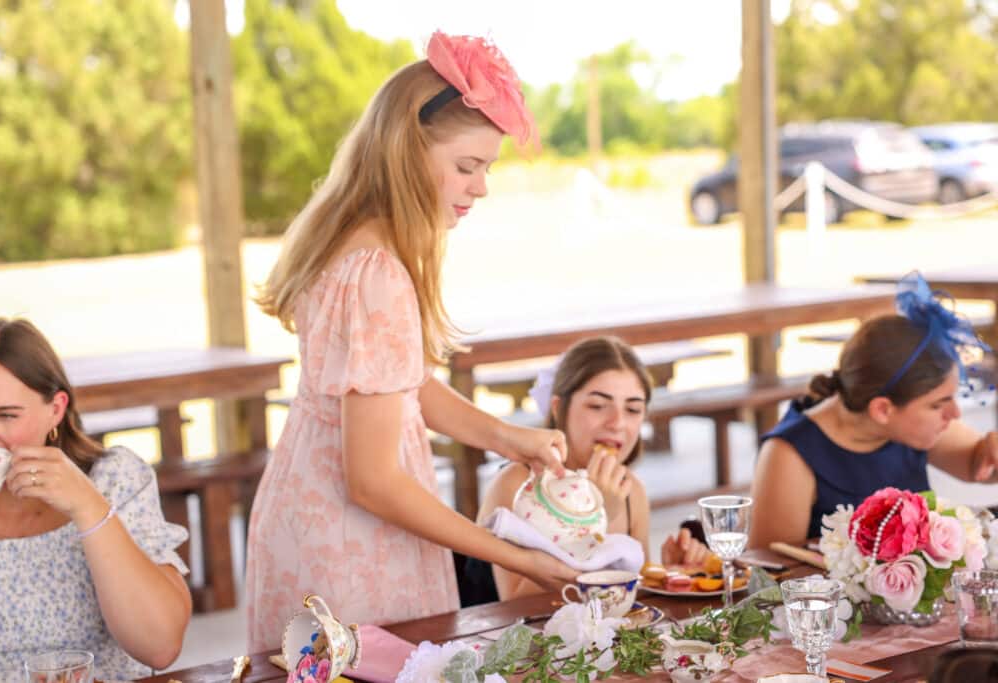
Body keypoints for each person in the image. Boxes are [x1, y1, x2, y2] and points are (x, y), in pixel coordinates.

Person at [246, 31, 578, 649]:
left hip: (306, 512)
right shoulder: (379, 274)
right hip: (352, 542)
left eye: (485, 168)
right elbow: (372, 480)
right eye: (466, 166)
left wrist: (505, 435)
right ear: (406, 152)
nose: (480, 186)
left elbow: (401, 383)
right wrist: (514, 557)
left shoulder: (353, 241)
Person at [0, 318, 191, 682]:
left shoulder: (114, 479)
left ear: (56, 409)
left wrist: (88, 507)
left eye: (7, 415)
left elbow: (160, 646)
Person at [750, 273, 998, 549]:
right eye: (937, 404)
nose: (954, 414)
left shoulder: (912, 426)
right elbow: (769, 569)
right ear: (882, 410)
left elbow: (980, 467)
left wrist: (992, 453)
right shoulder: (789, 456)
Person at [475, 336, 710, 600]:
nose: (617, 423)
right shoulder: (517, 484)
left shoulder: (632, 492)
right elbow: (517, 603)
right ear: (558, 408)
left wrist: (667, 573)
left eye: (633, 409)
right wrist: (598, 516)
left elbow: (628, 598)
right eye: (598, 406)